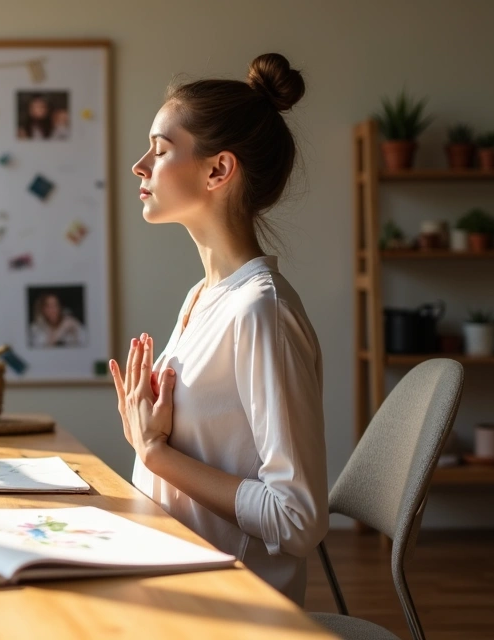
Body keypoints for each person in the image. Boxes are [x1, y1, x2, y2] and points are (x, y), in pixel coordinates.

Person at [109, 53, 327, 605]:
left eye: (159, 150)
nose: (140, 165)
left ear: (217, 170)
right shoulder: (202, 298)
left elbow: (296, 518)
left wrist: (157, 455)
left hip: (228, 606)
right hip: (168, 575)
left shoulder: (261, 311)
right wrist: (144, 438)